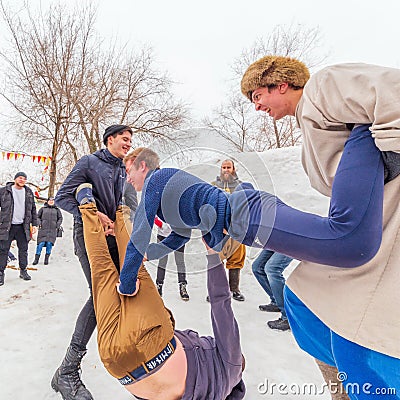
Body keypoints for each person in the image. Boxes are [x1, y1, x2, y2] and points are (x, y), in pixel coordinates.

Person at [241, 56, 400, 399]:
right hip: (372, 230)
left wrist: (392, 153)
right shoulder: (310, 130)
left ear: (280, 84)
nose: (256, 107)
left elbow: (392, 92)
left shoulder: (323, 87)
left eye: (256, 96)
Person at [77, 197, 245, 399]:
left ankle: (121, 205)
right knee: (101, 271)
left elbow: (221, 305)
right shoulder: (210, 391)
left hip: (153, 346)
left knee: (134, 265)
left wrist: (212, 255)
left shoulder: (232, 366)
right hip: (117, 366)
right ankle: (86, 203)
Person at [52, 124, 132, 400]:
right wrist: (93, 215)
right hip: (88, 237)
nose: (128, 144)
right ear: (110, 139)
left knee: (121, 291)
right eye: (124, 139)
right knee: (99, 296)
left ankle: (124, 355)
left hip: (112, 239)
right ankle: (67, 371)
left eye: (130, 141)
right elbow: (62, 197)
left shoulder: (123, 169)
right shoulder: (89, 162)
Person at [211, 159, 246, 301]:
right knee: (215, 259)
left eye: (228, 167)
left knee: (236, 258)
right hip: (218, 229)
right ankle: (217, 290)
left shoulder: (241, 186)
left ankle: (234, 289)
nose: (226, 169)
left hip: (236, 228)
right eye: (223, 167)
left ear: (233, 169)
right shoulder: (213, 186)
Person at [0, 172, 38, 285]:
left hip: (23, 226)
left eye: (24, 178)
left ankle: (23, 270)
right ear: (15, 179)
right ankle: (1, 273)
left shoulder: (28, 192)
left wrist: (34, 224)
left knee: (23, 250)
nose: (22, 180)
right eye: (20, 178)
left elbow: (33, 209)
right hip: (7, 226)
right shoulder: (4, 191)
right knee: (3, 250)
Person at [251, 250, 293, 331]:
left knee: (272, 268)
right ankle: (277, 302)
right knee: (257, 267)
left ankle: (288, 317)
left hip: (291, 241)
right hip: (275, 240)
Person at [154, 216, 189, 301]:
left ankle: (182, 285)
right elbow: (154, 216)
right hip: (162, 235)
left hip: (178, 235)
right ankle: (159, 285)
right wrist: (162, 225)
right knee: (162, 261)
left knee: (180, 261)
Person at [32, 197, 63, 265]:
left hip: (52, 230)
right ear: (47, 201)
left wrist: (57, 225)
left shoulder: (57, 210)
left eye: (53, 200)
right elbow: (37, 217)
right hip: (43, 229)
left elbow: (60, 218)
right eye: (50, 200)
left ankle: (46, 259)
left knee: (49, 244)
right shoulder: (43, 209)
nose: (51, 201)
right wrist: (39, 223)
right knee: (40, 244)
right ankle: (36, 259)